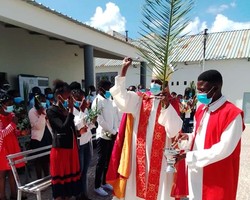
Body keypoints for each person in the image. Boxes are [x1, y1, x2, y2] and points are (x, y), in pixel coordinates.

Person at [107, 57, 182, 200]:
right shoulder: (140, 99)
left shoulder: (172, 103)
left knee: (160, 188)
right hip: (138, 155)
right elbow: (121, 98)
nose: (154, 84)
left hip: (162, 157)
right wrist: (124, 69)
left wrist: (166, 105)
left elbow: (173, 131)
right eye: (152, 81)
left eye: (158, 82)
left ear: (165, 85)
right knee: (135, 188)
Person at [176, 69, 245, 200]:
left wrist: (190, 156)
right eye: (198, 90)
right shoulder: (201, 109)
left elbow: (224, 149)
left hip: (217, 175)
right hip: (196, 172)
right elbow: (198, 135)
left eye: (202, 90)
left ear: (215, 88)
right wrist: (187, 138)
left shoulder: (232, 114)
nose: (199, 94)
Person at [46, 80, 81, 200]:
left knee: (69, 188)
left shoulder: (65, 110)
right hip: (61, 151)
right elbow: (62, 128)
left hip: (71, 150)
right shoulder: (51, 110)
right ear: (59, 96)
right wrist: (71, 110)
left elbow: (71, 128)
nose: (70, 99)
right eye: (68, 96)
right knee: (60, 188)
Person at [92, 80, 119, 197]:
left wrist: (115, 130)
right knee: (101, 161)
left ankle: (104, 182)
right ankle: (97, 186)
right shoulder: (97, 101)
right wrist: (112, 131)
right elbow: (100, 120)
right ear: (101, 89)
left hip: (111, 135)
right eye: (107, 88)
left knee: (108, 161)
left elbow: (115, 117)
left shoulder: (109, 100)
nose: (109, 90)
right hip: (103, 135)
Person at [0, 93, 25, 200]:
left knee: (12, 172)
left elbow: (13, 131)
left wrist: (20, 132)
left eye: (11, 104)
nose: (10, 106)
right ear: (2, 105)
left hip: (13, 146)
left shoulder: (11, 115)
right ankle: (2, 196)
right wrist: (13, 124)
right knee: (2, 175)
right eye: (8, 104)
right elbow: (1, 134)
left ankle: (14, 195)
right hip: (3, 148)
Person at [72, 88, 93, 200]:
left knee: (85, 171)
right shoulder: (71, 111)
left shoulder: (84, 109)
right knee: (79, 171)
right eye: (79, 99)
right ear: (74, 98)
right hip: (79, 144)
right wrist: (81, 111)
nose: (82, 100)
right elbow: (76, 126)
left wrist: (90, 123)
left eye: (83, 98)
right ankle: (78, 195)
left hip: (87, 141)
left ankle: (84, 194)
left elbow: (89, 124)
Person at [28, 94, 52, 179]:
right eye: (42, 101)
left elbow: (49, 123)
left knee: (46, 160)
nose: (44, 102)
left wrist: (45, 115)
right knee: (38, 160)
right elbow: (38, 126)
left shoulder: (46, 110)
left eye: (45, 101)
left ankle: (47, 177)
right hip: (38, 139)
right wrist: (42, 115)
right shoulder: (32, 111)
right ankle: (39, 179)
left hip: (47, 136)